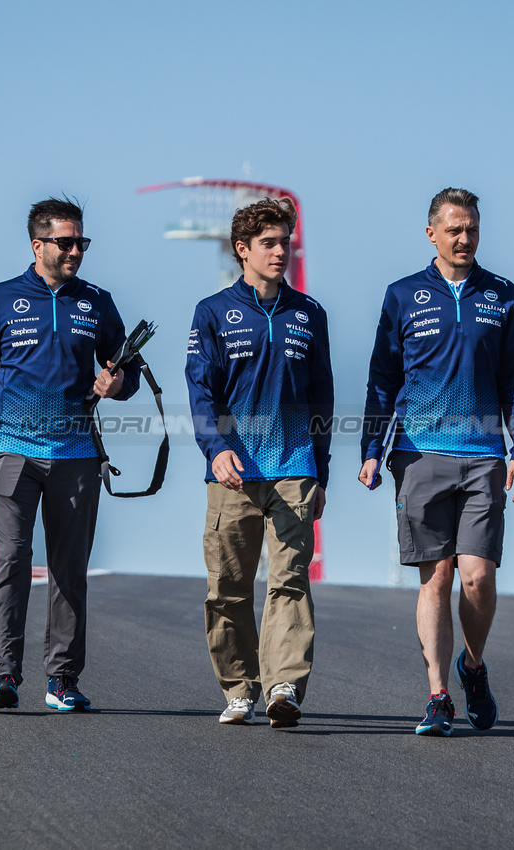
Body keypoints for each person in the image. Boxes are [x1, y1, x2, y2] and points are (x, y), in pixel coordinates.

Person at [0, 197, 140, 712]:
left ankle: (62, 680)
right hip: (11, 451)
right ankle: (4, 674)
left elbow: (128, 376)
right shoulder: (1, 299)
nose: (76, 251)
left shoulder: (97, 302)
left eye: (82, 242)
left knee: (69, 568)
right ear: (38, 245)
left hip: (76, 455)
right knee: (11, 557)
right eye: (66, 242)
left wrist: (115, 383)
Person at [359, 187, 514, 737]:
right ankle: (438, 695)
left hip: (484, 456)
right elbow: (382, 379)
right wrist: (370, 448)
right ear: (431, 232)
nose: (464, 238)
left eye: (472, 229)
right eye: (454, 229)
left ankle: (473, 667)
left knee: (477, 577)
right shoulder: (403, 294)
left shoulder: (502, 295)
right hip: (417, 454)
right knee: (434, 577)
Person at [184, 197, 333, 728]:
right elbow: (200, 392)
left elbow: (322, 398)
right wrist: (216, 448)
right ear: (242, 250)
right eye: (268, 243)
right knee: (227, 587)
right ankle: (240, 688)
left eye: (285, 242)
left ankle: (283, 685)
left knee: (290, 578)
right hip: (232, 471)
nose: (280, 252)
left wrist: (321, 469)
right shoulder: (212, 312)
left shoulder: (308, 314)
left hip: (294, 469)